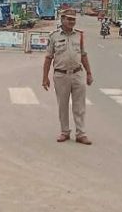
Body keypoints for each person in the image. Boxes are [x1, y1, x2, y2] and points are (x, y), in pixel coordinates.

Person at [42, 9, 94, 145]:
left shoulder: (79, 36)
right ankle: (65, 132)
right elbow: (48, 57)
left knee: (79, 106)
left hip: (77, 73)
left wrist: (89, 73)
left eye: (73, 19)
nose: (72, 22)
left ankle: (81, 134)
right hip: (61, 75)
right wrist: (45, 77)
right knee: (63, 105)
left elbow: (83, 55)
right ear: (62, 19)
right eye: (69, 19)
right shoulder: (54, 36)